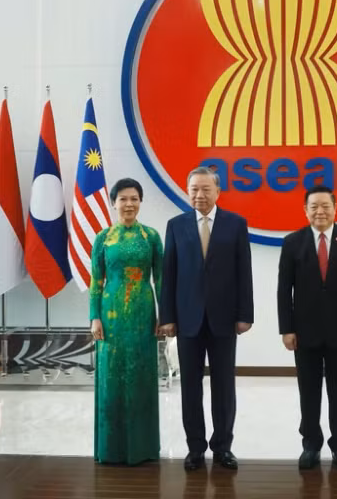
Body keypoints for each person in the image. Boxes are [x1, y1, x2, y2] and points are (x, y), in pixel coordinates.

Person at [159, 166, 254, 471]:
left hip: (225, 319)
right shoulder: (175, 225)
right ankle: (195, 448)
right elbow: (168, 275)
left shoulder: (236, 224)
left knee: (224, 387)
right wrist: (168, 317)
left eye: (205, 189)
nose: (199, 195)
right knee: (190, 387)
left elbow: (244, 273)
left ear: (218, 192)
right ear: (188, 192)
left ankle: (223, 447)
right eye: (194, 190)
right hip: (186, 319)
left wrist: (245, 315)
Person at [277, 185, 337, 471]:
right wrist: (286, 329)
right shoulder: (293, 242)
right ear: (305, 210)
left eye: (325, 206)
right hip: (304, 333)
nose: (320, 211)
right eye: (313, 206)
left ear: (335, 208)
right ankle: (310, 445)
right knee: (309, 392)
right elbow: (284, 290)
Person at [89, 177, 163, 465]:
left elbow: (161, 279)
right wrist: (94, 316)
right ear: (114, 203)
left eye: (134, 198)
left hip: (144, 314)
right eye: (123, 199)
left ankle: (142, 448)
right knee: (111, 376)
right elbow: (96, 281)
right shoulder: (103, 238)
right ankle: (111, 448)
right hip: (110, 316)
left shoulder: (152, 237)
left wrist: (164, 315)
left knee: (142, 375)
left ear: (140, 202)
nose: (129, 204)